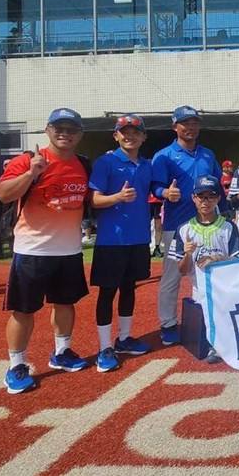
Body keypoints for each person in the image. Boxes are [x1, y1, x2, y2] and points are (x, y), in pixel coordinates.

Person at [0, 108, 91, 394]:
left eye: (71, 129)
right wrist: (31, 173)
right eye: (59, 128)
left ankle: (61, 352)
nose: (65, 133)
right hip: (31, 250)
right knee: (23, 310)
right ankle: (16, 365)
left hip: (69, 250)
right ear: (48, 130)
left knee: (65, 304)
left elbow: (89, 198)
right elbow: (3, 194)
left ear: (79, 134)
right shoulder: (27, 160)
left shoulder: (84, 164)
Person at [151, 105, 222, 346]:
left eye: (194, 123)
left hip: (208, 224)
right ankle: (168, 324)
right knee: (172, 277)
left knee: (209, 271)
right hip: (176, 224)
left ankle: (211, 320)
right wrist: (164, 192)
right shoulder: (164, 155)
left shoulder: (208, 154)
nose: (190, 127)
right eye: (185, 123)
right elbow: (155, 186)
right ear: (175, 127)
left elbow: (217, 187)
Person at [88, 114, 154, 372]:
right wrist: (117, 197)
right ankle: (105, 347)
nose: (130, 136)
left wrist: (165, 193)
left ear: (143, 137)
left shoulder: (147, 165)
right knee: (107, 293)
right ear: (116, 135)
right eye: (124, 131)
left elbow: (155, 190)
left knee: (129, 289)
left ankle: (124, 338)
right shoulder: (106, 162)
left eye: (135, 132)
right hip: (111, 240)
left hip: (139, 239)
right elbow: (94, 200)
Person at [171, 175, 239, 364]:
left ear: (218, 198)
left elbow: (238, 263)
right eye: (201, 196)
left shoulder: (228, 227)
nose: (205, 201)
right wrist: (187, 254)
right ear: (194, 198)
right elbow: (181, 270)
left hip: (226, 290)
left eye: (211, 196)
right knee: (199, 340)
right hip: (199, 291)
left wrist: (218, 259)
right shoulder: (184, 229)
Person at [149, 193, 164, 257]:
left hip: (158, 202)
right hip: (147, 202)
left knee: (158, 227)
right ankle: (145, 247)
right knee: (145, 226)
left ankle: (157, 248)